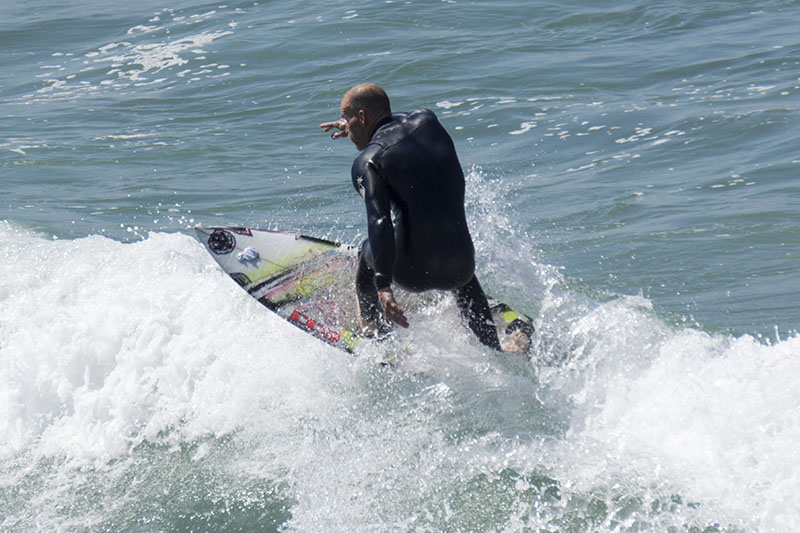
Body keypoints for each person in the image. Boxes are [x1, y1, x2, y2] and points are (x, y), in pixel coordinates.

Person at [320, 83, 509, 351]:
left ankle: (373, 333)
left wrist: (383, 286)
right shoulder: (428, 121)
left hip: (411, 274)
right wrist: (354, 125)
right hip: (461, 265)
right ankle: (493, 346)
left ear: (362, 116)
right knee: (460, 271)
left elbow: (380, 223)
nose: (346, 128)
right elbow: (393, 123)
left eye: (346, 119)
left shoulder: (369, 162)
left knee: (367, 251)